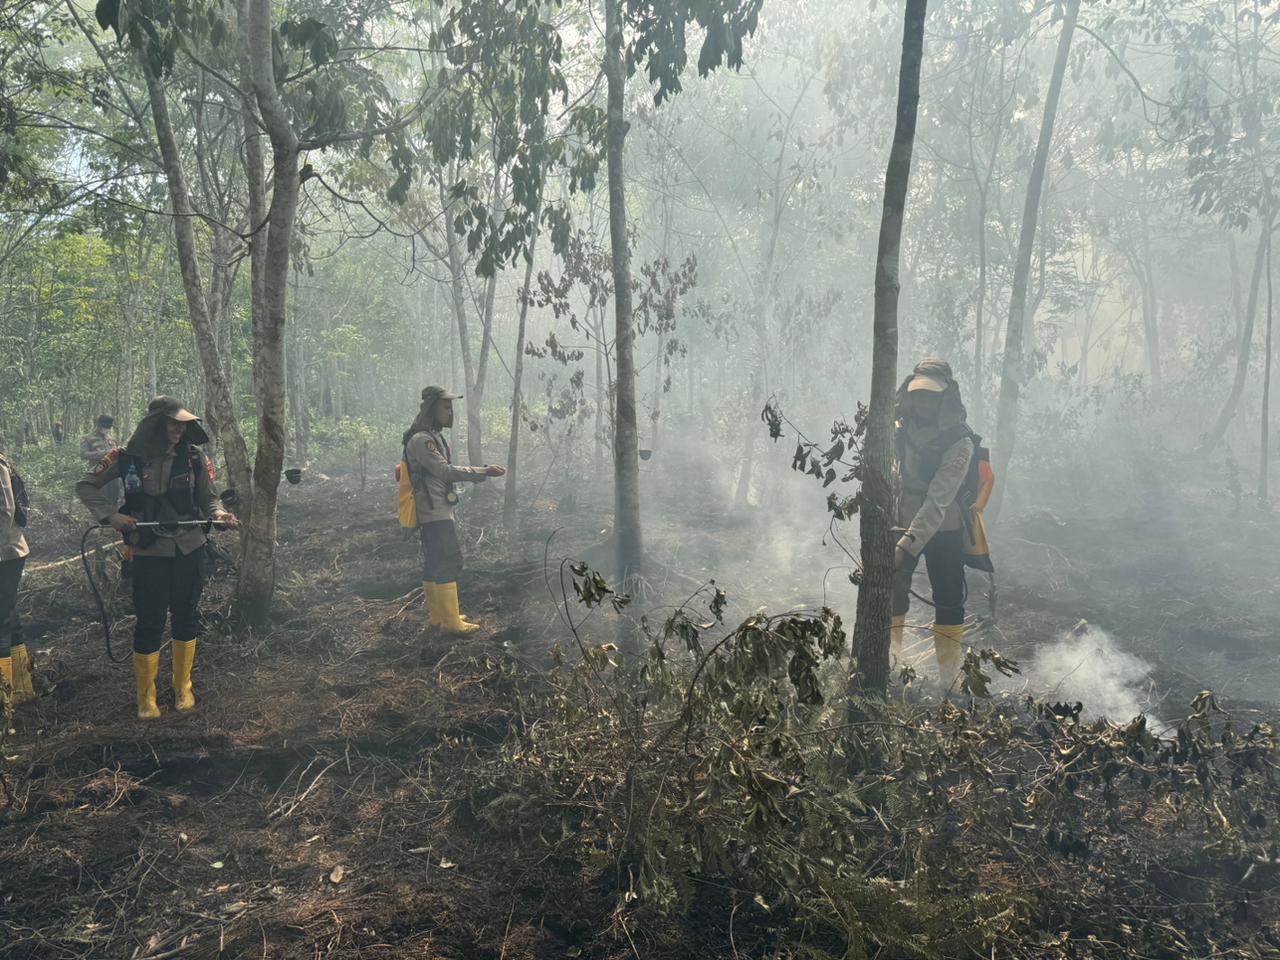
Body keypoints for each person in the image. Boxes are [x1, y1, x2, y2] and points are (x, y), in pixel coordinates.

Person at [76, 397, 239, 719]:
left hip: (189, 548)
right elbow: (86, 485)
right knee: (150, 620)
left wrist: (220, 515)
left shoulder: (194, 457)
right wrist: (111, 516)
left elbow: (209, 498)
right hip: (149, 550)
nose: (179, 429)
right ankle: (146, 699)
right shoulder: (124, 457)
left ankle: (183, 689)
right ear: (156, 425)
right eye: (173, 423)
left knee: (185, 615)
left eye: (183, 424)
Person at [890, 358, 975, 690]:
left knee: (949, 600)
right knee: (893, 595)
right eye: (919, 394)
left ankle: (949, 684)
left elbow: (939, 502)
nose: (923, 402)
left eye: (931, 396)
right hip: (902, 520)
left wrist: (905, 545)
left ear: (946, 397)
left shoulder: (960, 441)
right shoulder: (900, 426)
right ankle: (890, 671)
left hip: (945, 529)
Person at [402, 386, 504, 635]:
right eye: (445, 407)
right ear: (431, 409)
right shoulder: (422, 440)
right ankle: (450, 623)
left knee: (435, 562)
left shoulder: (429, 436)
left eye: (451, 408)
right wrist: (483, 471)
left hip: (434, 509)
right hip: (434, 511)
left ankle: (440, 617)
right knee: (448, 560)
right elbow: (445, 471)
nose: (450, 413)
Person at [0, 452, 34, 705]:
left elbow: (6, 508)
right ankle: (21, 688)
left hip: (7, 552)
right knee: (9, 614)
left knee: (1, 619)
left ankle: (4, 697)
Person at [82, 415, 122, 507]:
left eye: (108, 427)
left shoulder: (112, 439)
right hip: (97, 472)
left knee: (114, 497)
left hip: (112, 473)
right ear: (99, 425)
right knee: (101, 498)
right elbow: (83, 454)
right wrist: (104, 453)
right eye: (104, 427)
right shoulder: (87, 438)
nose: (106, 429)